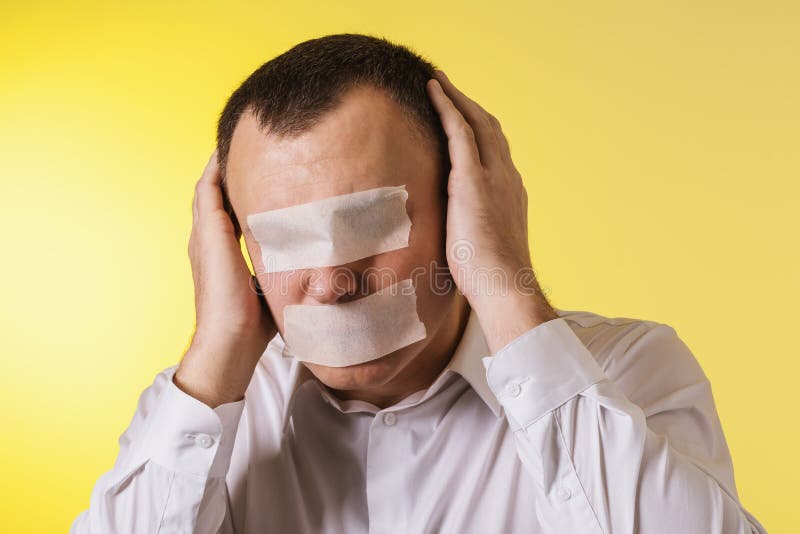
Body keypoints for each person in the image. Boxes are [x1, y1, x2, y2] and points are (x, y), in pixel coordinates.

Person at [71, 33, 766, 533]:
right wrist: (218, 345)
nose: (330, 282)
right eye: (283, 241)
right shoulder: (205, 417)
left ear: (467, 204)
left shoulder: (625, 375)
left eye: (367, 224)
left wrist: (504, 282)